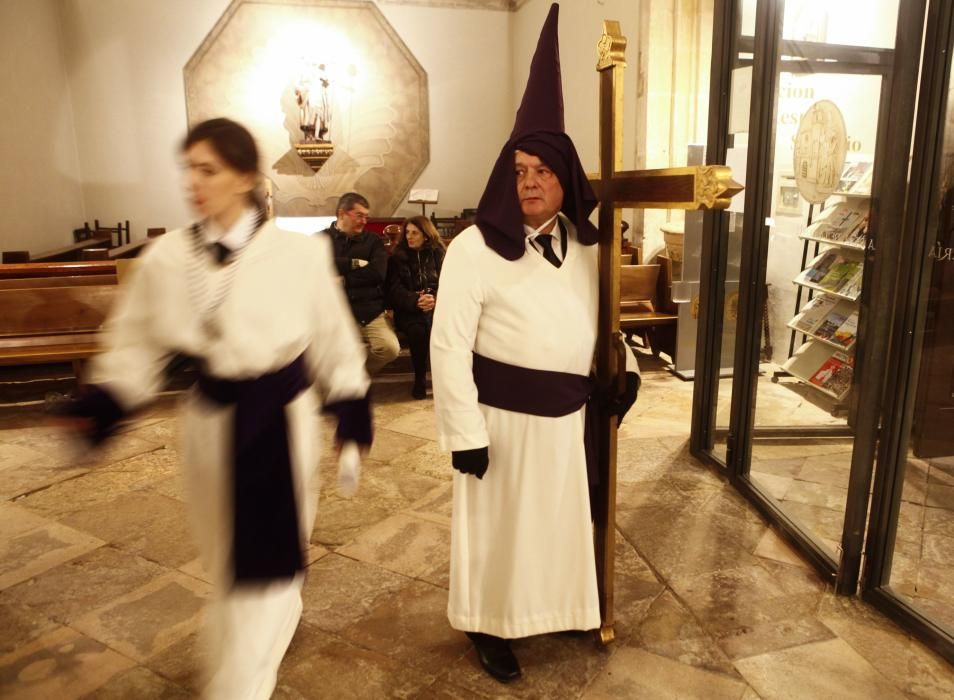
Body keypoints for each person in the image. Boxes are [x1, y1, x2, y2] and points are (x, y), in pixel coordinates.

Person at [60, 118, 372, 699]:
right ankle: (265, 631)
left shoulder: (297, 256)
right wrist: (105, 399)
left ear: (246, 177)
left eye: (208, 169)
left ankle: (237, 685)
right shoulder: (169, 256)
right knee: (229, 561)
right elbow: (136, 340)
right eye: (188, 168)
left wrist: (350, 408)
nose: (192, 182)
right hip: (209, 424)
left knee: (266, 568)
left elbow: (333, 337)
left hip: (281, 421)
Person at [429, 4, 639, 684]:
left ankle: (562, 607)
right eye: (517, 170)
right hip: (501, 422)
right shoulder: (472, 250)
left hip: (567, 419)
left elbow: (605, 321)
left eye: (541, 171)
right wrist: (464, 430)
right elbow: (448, 345)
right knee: (500, 533)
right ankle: (489, 628)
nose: (527, 182)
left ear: (564, 178)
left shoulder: (585, 248)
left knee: (556, 523)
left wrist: (625, 370)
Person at [322, 192, 401, 375]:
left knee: (390, 348)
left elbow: (377, 273)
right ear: (342, 214)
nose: (364, 221)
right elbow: (316, 271)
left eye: (366, 216)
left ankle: (355, 375)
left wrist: (342, 279)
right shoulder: (321, 239)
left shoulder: (373, 241)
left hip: (369, 309)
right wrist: (353, 263)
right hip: (333, 310)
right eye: (359, 215)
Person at [386, 216, 445, 399]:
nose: (409, 237)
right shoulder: (397, 257)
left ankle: (443, 379)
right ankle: (420, 378)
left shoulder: (438, 253)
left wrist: (434, 298)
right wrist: (415, 300)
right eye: (407, 233)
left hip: (437, 306)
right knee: (418, 330)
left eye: (415, 233)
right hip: (409, 309)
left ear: (426, 235)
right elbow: (393, 290)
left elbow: (449, 281)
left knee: (444, 329)